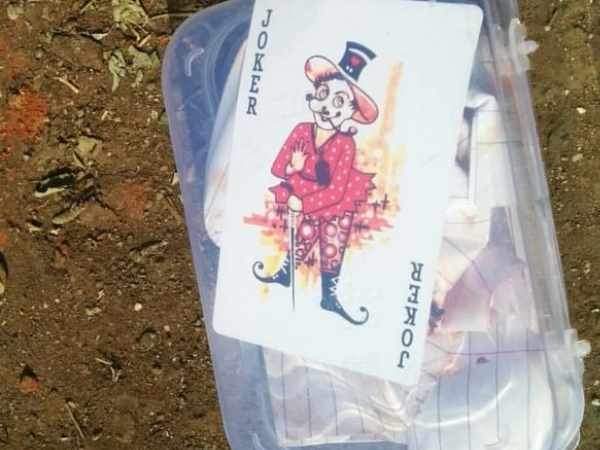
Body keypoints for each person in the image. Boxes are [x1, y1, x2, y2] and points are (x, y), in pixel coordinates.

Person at [253, 42, 380, 326]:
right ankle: (286, 272)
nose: (327, 107)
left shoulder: (345, 144)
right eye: (323, 95)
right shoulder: (301, 130)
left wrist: (303, 197)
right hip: (304, 193)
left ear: (350, 112)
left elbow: (335, 190)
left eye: (339, 102)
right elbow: (277, 167)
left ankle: (329, 296)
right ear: (313, 96)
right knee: (304, 233)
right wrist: (293, 168)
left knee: (331, 242)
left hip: (335, 203)